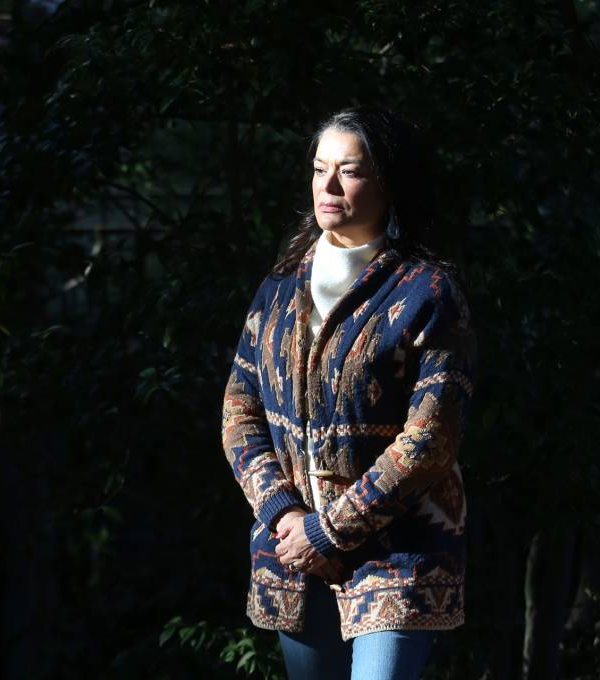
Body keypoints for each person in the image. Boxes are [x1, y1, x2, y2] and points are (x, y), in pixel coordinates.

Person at [220, 107, 478, 680]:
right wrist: (283, 513)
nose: (329, 186)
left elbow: (430, 439)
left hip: (400, 554)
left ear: (388, 182)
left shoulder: (429, 293)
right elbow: (239, 411)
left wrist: (329, 528)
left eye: (350, 171)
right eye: (319, 169)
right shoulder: (280, 286)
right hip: (293, 552)